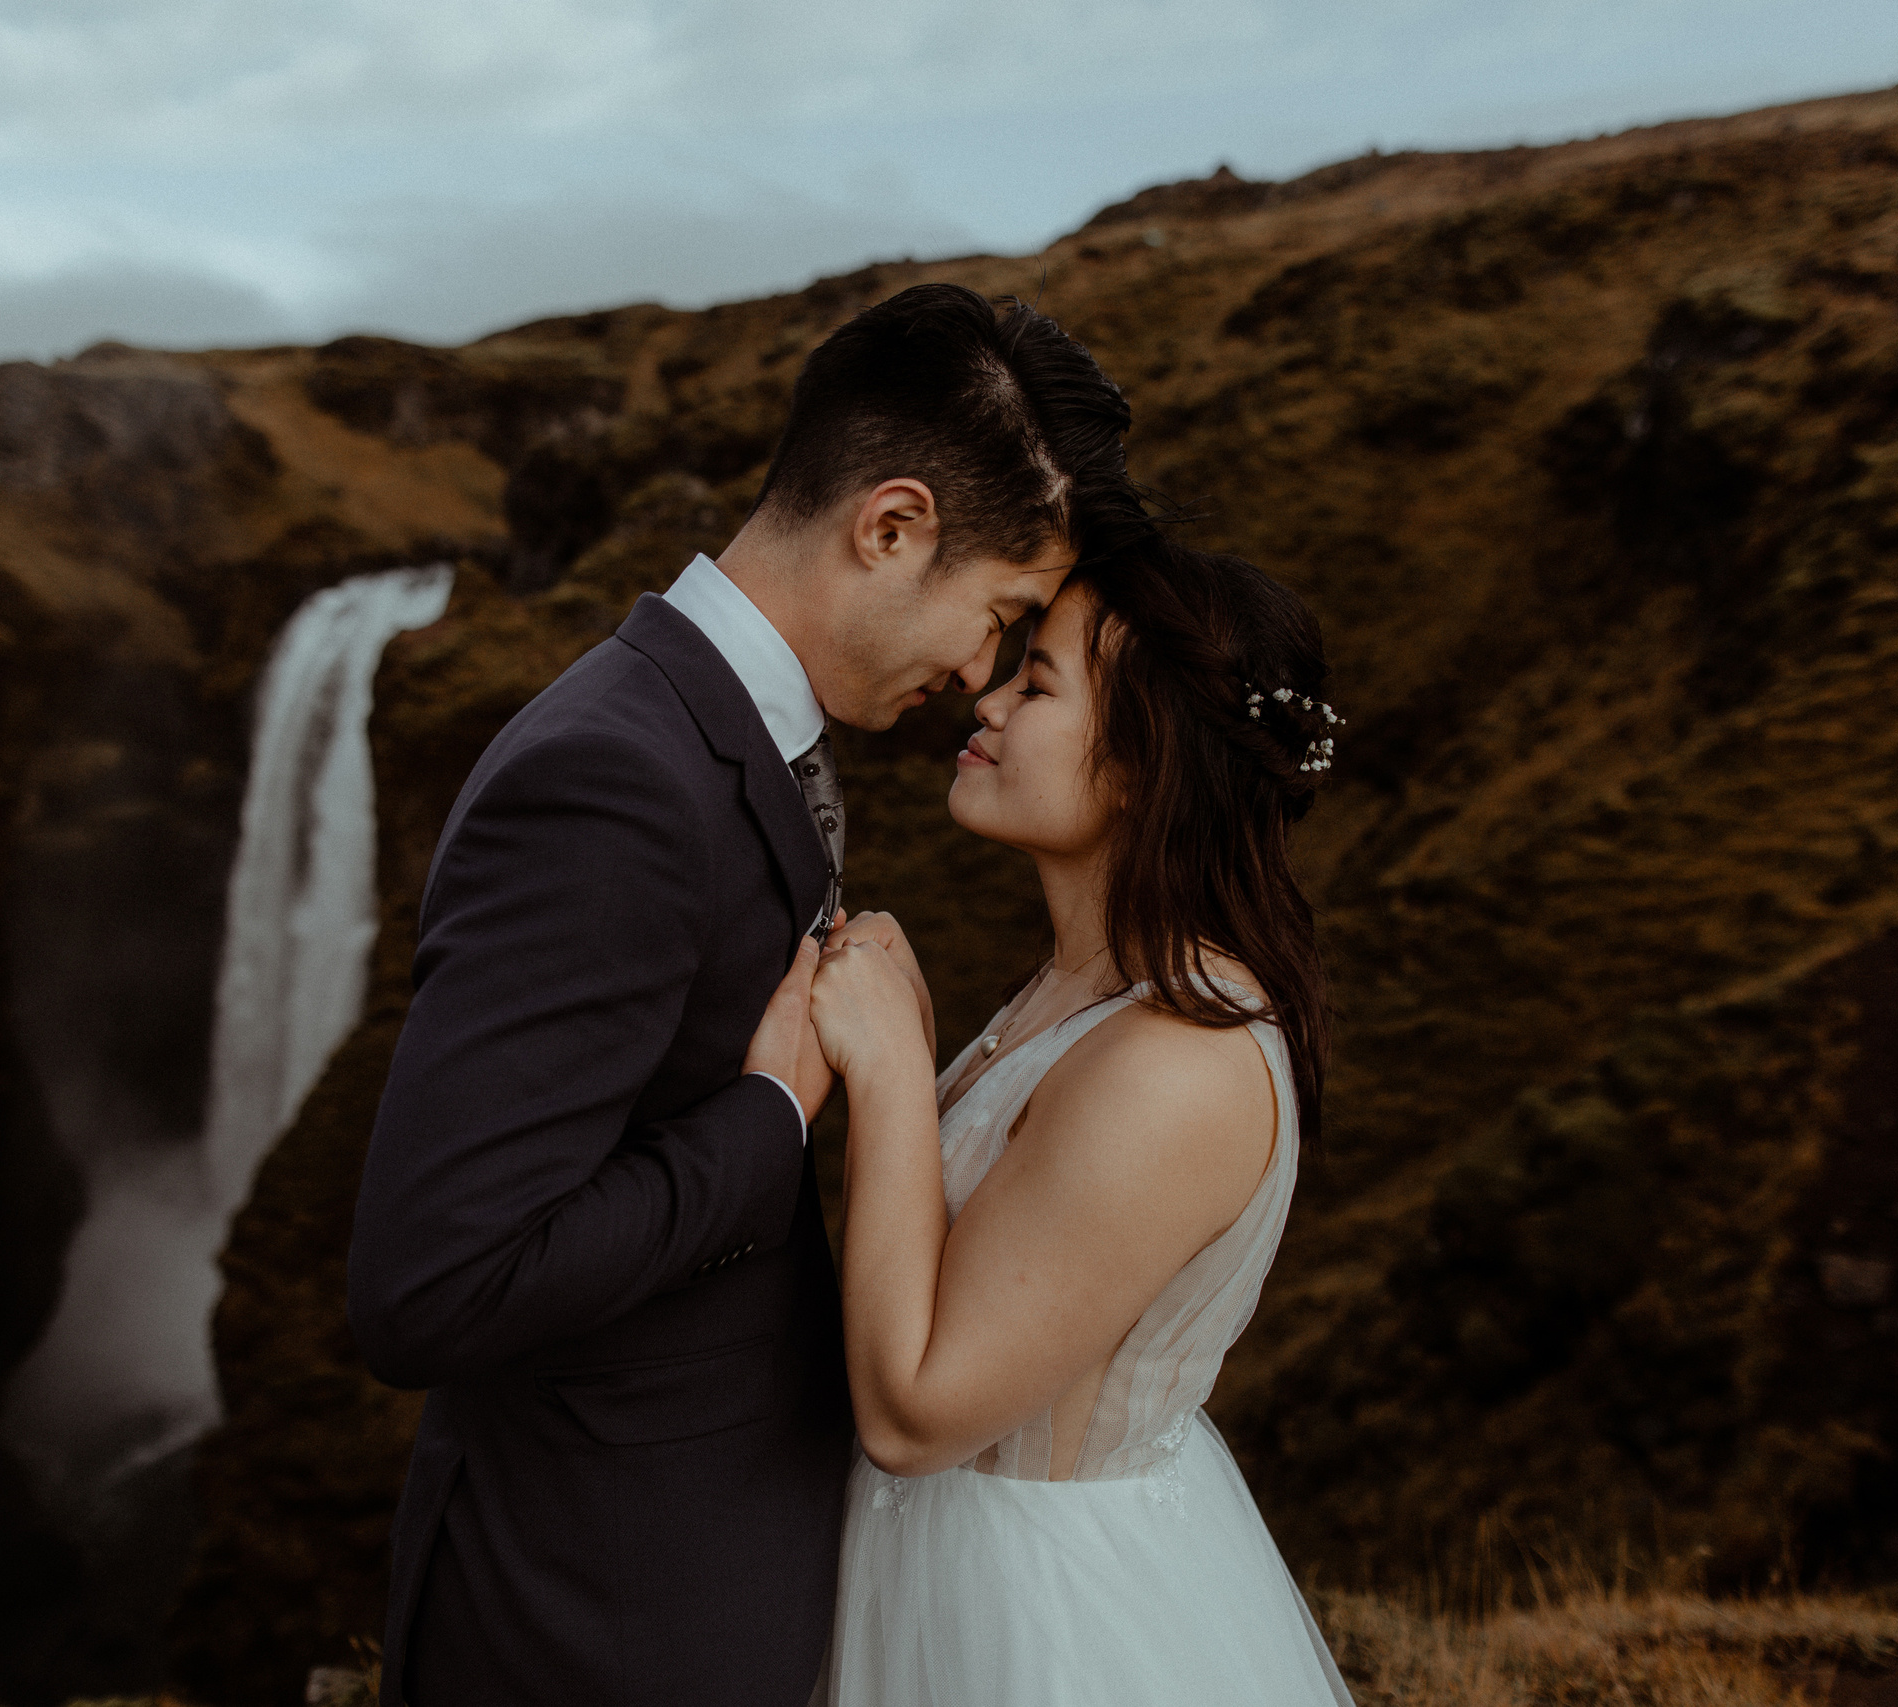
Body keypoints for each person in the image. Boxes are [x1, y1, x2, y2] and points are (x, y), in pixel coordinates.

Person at [346, 282, 1146, 1707]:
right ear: (890, 526)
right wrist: (769, 1114)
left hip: (693, 1580)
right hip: (595, 1622)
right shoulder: (612, 776)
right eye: (1000, 614)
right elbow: (431, 1284)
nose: (980, 673)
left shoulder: (728, 732)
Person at [805, 538, 1357, 1706]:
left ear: (1139, 768)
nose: (988, 695)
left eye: (1039, 682)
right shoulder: (1080, 991)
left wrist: (895, 1071)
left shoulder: (1177, 1063)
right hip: (932, 1565)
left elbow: (916, 1416)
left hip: (1038, 1616)